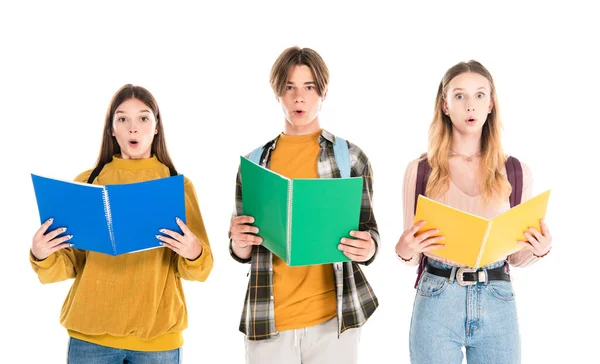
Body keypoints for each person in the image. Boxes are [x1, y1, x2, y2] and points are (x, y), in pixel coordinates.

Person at [30, 84, 213, 363]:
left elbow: (201, 270)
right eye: (122, 118)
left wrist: (193, 252)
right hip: (90, 338)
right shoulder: (87, 183)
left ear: (156, 127)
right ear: (111, 129)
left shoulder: (177, 185)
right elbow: (71, 263)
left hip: (158, 340)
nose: (133, 128)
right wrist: (41, 254)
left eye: (143, 118)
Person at [229, 47, 379, 364]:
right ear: (278, 93)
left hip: (333, 320)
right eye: (289, 87)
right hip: (269, 319)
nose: (299, 98)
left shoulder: (350, 157)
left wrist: (367, 248)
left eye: (309, 87)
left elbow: (370, 233)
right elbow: (243, 251)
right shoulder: (255, 164)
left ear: (322, 92)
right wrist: (238, 241)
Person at [395, 60, 552, 363]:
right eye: (459, 96)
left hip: (497, 298)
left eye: (480, 95)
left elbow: (517, 258)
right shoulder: (420, 171)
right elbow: (412, 253)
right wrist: (403, 248)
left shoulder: (516, 171)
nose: (470, 105)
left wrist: (540, 249)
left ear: (492, 104)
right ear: (444, 105)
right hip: (437, 297)